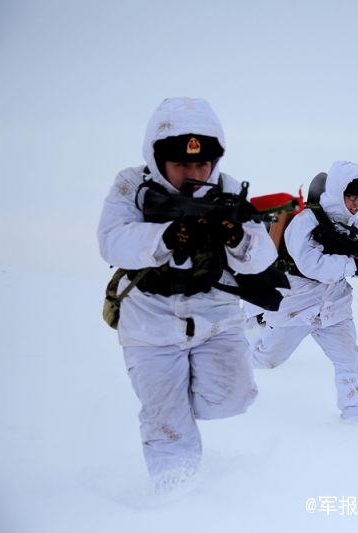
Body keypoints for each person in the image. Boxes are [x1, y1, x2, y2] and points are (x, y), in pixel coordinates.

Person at [97, 97, 277, 490]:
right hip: (149, 321)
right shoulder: (132, 184)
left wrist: (236, 235)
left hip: (216, 315)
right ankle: (176, 497)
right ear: (158, 158)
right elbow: (111, 241)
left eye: (202, 163)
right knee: (167, 422)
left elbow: (261, 256)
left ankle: (175, 407)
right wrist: (164, 237)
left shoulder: (228, 189)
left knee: (236, 396)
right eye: (182, 163)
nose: (194, 172)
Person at [249, 160, 358, 423]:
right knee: (267, 359)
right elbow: (312, 265)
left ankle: (353, 416)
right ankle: (230, 358)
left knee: (349, 360)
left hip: (334, 307)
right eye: (351, 196)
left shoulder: (355, 228)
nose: (356, 203)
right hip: (297, 306)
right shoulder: (305, 222)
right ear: (336, 192)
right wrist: (354, 264)